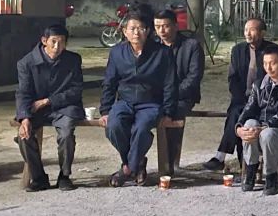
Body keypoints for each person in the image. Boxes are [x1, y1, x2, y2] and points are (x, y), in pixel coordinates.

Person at [100, 12, 179, 187]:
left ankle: (127, 169)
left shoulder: (162, 52)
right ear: (124, 32)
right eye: (132, 29)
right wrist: (105, 110)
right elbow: (109, 82)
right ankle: (138, 162)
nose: (136, 33)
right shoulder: (117, 52)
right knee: (113, 126)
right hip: (125, 101)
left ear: (148, 31)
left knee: (141, 128)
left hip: (150, 102)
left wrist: (168, 111)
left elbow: (170, 84)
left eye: (141, 28)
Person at [203, 18, 278, 171]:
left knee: (237, 114)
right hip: (241, 98)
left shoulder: (273, 51)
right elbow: (232, 78)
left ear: (262, 33)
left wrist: (255, 99)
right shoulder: (238, 50)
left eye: (252, 30)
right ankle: (241, 164)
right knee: (237, 111)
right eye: (246, 30)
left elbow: (276, 78)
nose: (248, 33)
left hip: (264, 101)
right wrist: (239, 97)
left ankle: (222, 157)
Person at [14, 24, 84, 192]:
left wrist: (48, 101)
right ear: (44, 41)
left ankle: (64, 176)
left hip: (64, 107)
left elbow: (76, 90)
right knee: (24, 136)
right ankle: (38, 177)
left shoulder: (73, 59)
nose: (57, 46)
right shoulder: (26, 63)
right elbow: (23, 92)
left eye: (62, 42)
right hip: (36, 110)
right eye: (53, 41)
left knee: (66, 134)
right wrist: (24, 118)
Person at [235, 46, 278, 196]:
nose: (268, 67)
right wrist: (239, 127)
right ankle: (250, 171)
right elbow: (249, 108)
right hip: (260, 130)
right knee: (249, 125)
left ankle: (271, 177)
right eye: (265, 63)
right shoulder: (259, 84)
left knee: (268, 134)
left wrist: (265, 127)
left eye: (273, 63)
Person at [154, 9, 204, 173]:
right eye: (157, 27)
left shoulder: (192, 46)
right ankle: (136, 164)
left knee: (174, 113)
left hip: (182, 96)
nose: (161, 30)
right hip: (157, 95)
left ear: (176, 26)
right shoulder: (153, 46)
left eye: (166, 26)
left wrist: (171, 95)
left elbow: (193, 77)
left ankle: (168, 165)